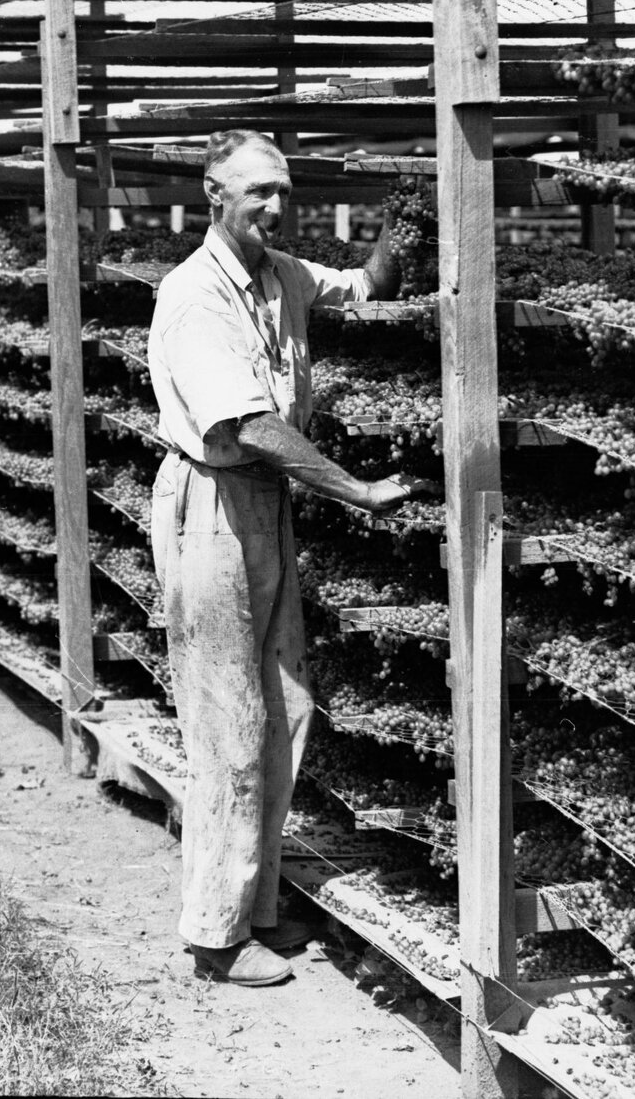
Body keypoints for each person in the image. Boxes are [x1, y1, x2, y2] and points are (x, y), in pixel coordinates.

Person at [147, 128, 428, 986]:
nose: (275, 206)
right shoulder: (196, 295)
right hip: (214, 503)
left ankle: (256, 904)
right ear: (213, 196)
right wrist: (359, 490)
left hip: (263, 503)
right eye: (258, 192)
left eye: (284, 191)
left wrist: (402, 224)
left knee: (285, 707)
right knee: (227, 722)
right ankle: (214, 936)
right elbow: (248, 427)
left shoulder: (281, 275)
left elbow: (370, 285)